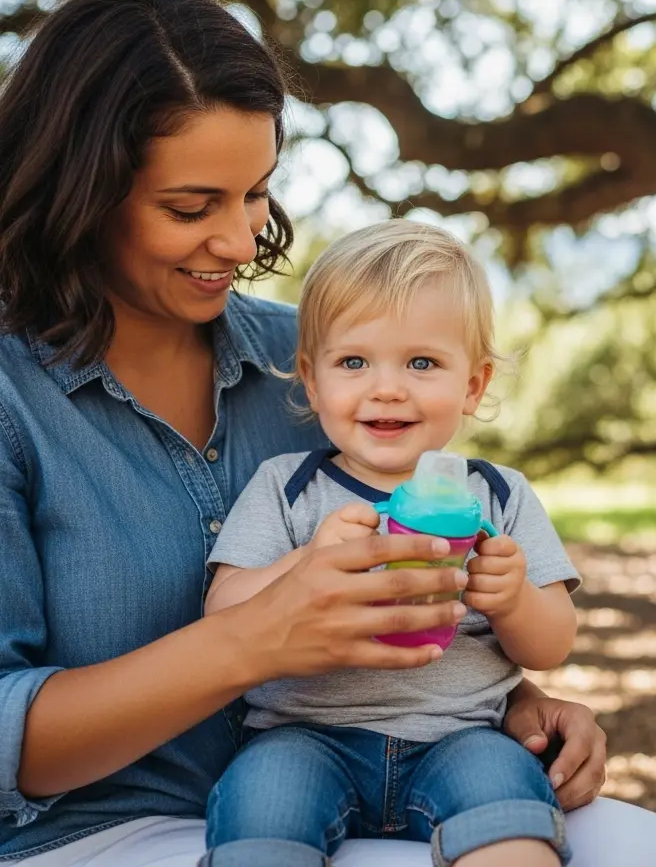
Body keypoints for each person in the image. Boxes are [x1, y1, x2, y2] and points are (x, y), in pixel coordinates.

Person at [0, 0, 656, 867]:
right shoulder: (15, 397)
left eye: (256, 193)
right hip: (99, 828)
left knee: (655, 850)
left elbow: (426, 596)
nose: (240, 242)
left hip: (381, 781)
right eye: (190, 208)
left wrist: (507, 705)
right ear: (79, 193)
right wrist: (256, 635)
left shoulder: (316, 360)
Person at [202, 220, 581, 867]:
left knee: (509, 809)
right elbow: (223, 611)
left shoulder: (499, 496)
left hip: (462, 739)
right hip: (302, 738)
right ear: (312, 379)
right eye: (353, 362)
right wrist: (305, 564)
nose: (387, 388)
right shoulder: (288, 488)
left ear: (473, 385)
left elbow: (553, 645)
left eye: (422, 363)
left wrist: (515, 598)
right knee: (261, 809)